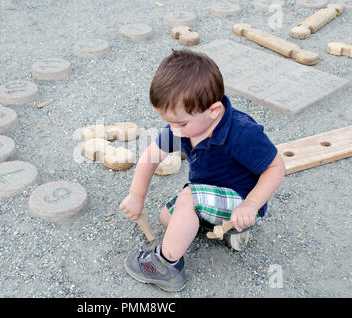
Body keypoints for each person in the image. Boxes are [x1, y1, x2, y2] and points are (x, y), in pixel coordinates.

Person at [119, 49, 286, 292]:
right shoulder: (184, 127)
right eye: (169, 122)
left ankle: (166, 266)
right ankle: (228, 232)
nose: (173, 130)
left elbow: (275, 166)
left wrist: (250, 205)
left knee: (188, 199)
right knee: (167, 218)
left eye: (181, 123)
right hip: (210, 195)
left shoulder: (241, 132)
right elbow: (151, 157)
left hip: (241, 200)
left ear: (214, 111)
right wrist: (136, 196)